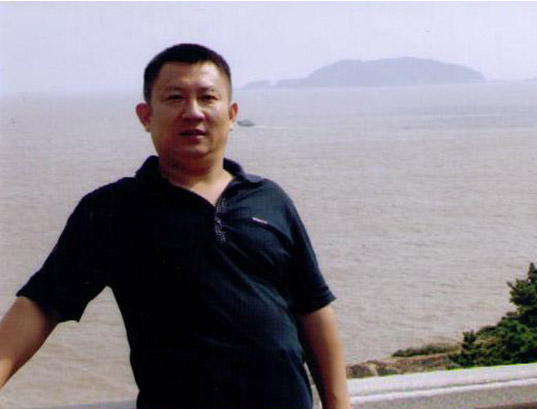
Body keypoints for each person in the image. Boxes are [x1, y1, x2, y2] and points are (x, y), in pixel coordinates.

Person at [0, 43, 351, 409]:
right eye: (175, 98)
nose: (193, 112)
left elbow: (313, 309)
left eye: (207, 97)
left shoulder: (270, 200)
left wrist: (338, 404)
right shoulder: (112, 210)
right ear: (145, 116)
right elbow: (41, 305)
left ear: (231, 114)